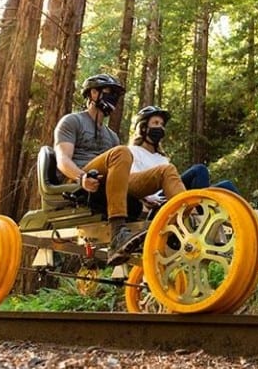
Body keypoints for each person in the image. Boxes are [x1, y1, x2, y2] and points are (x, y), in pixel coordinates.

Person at [53, 75, 186, 265]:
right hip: (81, 179)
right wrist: (81, 177)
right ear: (93, 93)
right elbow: (62, 159)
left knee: (167, 170)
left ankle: (185, 224)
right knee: (122, 152)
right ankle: (117, 232)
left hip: (108, 181)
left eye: (116, 95)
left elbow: (120, 174)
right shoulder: (72, 121)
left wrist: (143, 196)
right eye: (110, 93)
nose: (114, 99)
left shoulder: (112, 136)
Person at [128, 105, 239, 210]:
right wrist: (146, 201)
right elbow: (130, 184)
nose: (160, 127)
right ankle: (201, 211)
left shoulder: (162, 158)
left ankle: (246, 220)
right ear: (143, 128)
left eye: (162, 125)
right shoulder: (133, 151)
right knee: (199, 169)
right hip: (156, 201)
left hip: (170, 194)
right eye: (156, 123)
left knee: (227, 186)